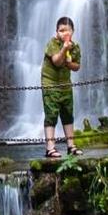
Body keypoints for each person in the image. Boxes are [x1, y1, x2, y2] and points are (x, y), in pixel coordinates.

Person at [41, 16, 83, 158]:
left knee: (67, 114)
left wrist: (70, 63)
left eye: (68, 30)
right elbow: (57, 62)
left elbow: (77, 66)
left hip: (65, 85)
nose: (65, 33)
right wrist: (64, 49)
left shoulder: (75, 46)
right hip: (50, 84)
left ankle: (71, 146)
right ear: (56, 32)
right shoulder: (52, 44)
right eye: (61, 30)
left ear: (73, 31)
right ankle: (50, 147)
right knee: (51, 114)